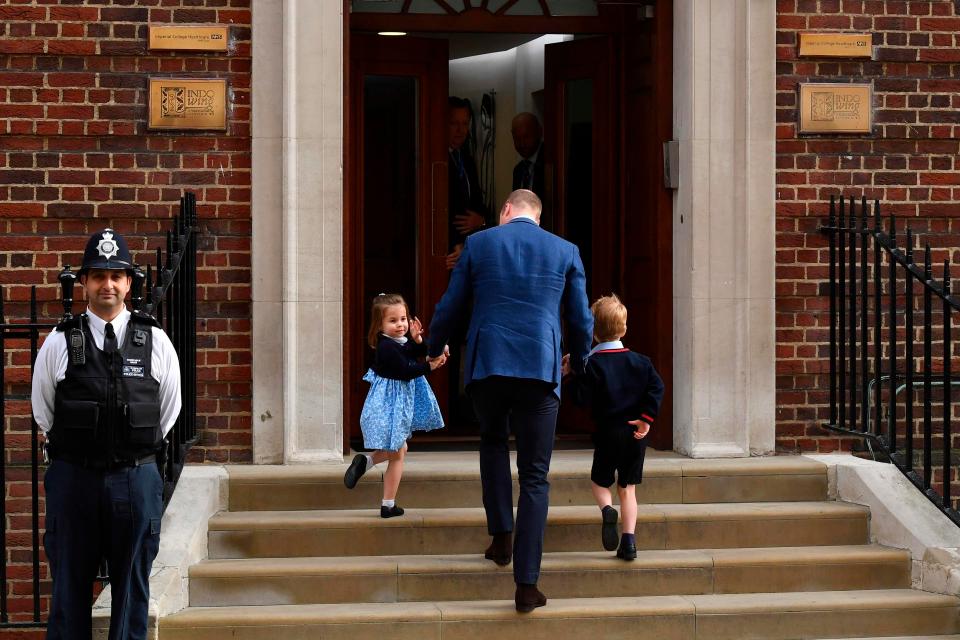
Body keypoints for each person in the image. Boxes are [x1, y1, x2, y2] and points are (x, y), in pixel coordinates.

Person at [427, 189, 593, 613]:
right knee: (536, 475)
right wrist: (580, 359)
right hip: (540, 365)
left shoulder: (479, 243)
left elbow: (452, 303)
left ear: (505, 210)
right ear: (537, 215)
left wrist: (433, 346)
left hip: (489, 364)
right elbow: (579, 316)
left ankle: (501, 539)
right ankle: (526, 584)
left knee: (493, 444)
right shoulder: (565, 250)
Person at [31, 228, 181, 640]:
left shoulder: (156, 341)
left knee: (132, 590)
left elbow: (168, 412)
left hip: (135, 478)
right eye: (98, 275)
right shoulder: (61, 341)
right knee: (68, 590)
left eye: (116, 276)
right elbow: (44, 411)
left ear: (129, 282)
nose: (107, 284)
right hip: (74, 478)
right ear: (84, 283)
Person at [562, 294, 665, 561]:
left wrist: (570, 375)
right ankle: (629, 541)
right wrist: (646, 418)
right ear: (625, 328)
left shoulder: (591, 365)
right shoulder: (641, 362)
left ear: (593, 333)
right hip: (635, 434)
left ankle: (607, 509)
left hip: (607, 433)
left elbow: (580, 399)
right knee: (628, 488)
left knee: (600, 482)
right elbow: (657, 388)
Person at [343, 293, 446, 518]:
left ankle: (367, 461)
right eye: (393, 321)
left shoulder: (400, 341)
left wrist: (418, 340)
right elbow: (405, 371)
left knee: (400, 448)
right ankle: (388, 505)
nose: (400, 325)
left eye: (403, 319)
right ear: (380, 325)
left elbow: (418, 352)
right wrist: (431, 367)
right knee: (398, 453)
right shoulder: (387, 348)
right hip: (390, 405)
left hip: (398, 403)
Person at [446, 96, 489, 270]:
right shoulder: (434, 160)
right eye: (454, 123)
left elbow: (478, 203)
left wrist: (482, 220)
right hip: (447, 254)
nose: (460, 130)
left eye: (465, 124)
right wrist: (454, 244)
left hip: (470, 251)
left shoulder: (467, 159)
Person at [510, 112, 545, 198]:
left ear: (539, 133)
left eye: (526, 137)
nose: (522, 144)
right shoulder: (518, 170)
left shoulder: (550, 165)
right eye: (517, 138)